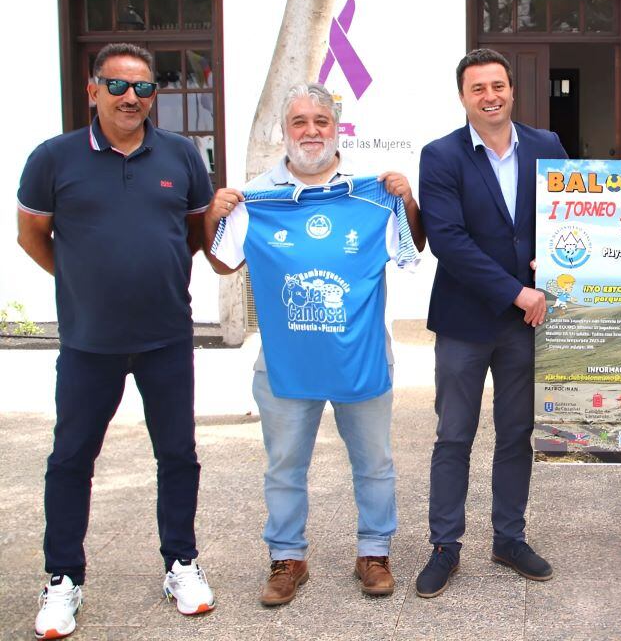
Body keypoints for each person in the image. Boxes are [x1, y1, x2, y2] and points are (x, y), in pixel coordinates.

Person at [17, 43, 217, 639]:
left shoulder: (182, 154)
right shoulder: (53, 158)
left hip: (166, 337)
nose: (131, 98)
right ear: (93, 90)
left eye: (143, 88)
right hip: (88, 342)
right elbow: (33, 236)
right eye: (118, 86)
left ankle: (180, 563)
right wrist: (82, 280)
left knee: (177, 455)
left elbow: (198, 233)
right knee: (71, 459)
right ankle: (62, 580)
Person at [203, 83, 424, 606]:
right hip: (285, 363)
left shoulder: (372, 196)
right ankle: (287, 558)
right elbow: (221, 261)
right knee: (284, 465)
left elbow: (411, 252)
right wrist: (216, 213)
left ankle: (374, 552)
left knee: (374, 463)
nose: (310, 131)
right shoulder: (255, 198)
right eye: (299, 121)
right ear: (286, 130)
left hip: (362, 359)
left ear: (337, 127)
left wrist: (406, 200)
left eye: (320, 121)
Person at [415, 49, 568, 597]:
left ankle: (509, 538)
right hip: (465, 320)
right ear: (463, 97)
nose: (490, 96)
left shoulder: (547, 147)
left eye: (498, 85)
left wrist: (554, 266)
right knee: (453, 435)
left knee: (516, 434)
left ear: (511, 90)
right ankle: (444, 546)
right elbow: (449, 241)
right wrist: (516, 289)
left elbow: (569, 216)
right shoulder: (440, 156)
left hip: (526, 322)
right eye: (478, 88)